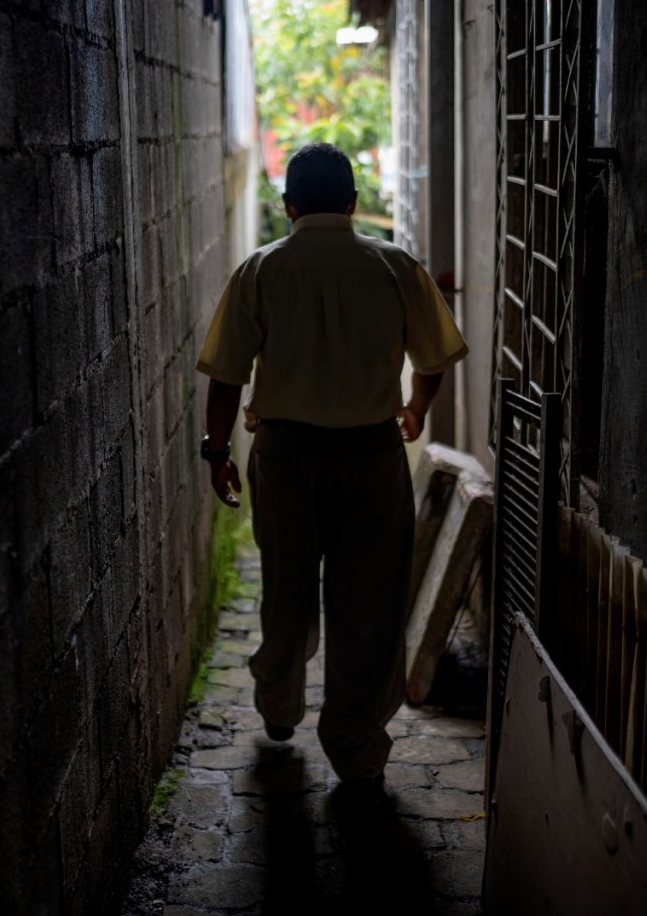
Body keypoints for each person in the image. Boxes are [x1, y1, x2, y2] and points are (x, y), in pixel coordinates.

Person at [195, 142, 468, 801]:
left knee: (286, 590)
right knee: (368, 606)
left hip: (286, 458)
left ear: (287, 206)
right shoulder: (395, 265)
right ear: (352, 204)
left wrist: (216, 451)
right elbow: (434, 354)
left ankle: (280, 704)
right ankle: (356, 749)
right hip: (371, 458)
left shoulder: (260, 270)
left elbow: (228, 376)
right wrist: (415, 407)